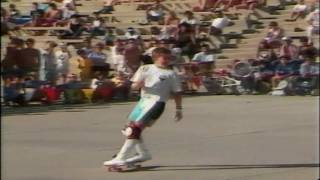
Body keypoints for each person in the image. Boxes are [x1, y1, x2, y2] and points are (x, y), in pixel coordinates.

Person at [103, 47, 183, 166]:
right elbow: (133, 87)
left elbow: (177, 92)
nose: (166, 60)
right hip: (143, 102)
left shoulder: (171, 74)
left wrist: (178, 109)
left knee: (135, 129)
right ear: (155, 58)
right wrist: (137, 85)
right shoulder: (145, 69)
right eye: (163, 58)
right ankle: (143, 154)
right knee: (128, 130)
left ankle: (121, 157)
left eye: (168, 58)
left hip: (157, 103)